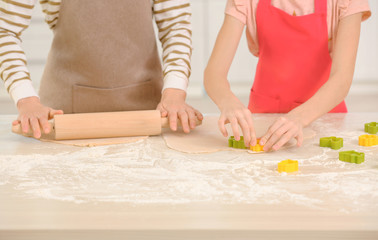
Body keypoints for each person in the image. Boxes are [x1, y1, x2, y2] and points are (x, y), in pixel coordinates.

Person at [1, 0, 203, 139]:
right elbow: (5, 30)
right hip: (62, 122)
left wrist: (175, 94)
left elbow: (176, 27)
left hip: (149, 118)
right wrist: (26, 100)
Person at [204, 0, 371, 151]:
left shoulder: (345, 2)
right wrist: (228, 102)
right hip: (263, 121)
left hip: (325, 120)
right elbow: (214, 74)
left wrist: (299, 117)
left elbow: (341, 80)